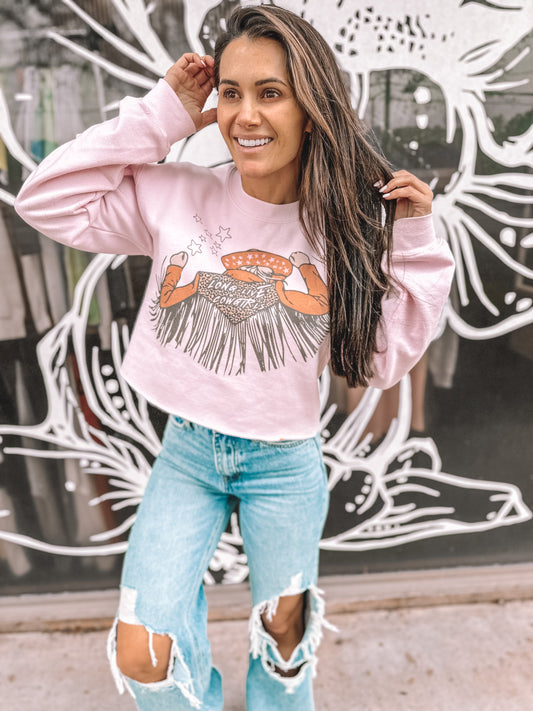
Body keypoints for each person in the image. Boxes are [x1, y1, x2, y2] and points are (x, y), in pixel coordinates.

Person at [14, 5, 454, 710]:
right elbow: (46, 200)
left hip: (284, 464)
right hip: (187, 456)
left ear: (310, 108)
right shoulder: (176, 196)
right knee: (143, 651)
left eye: (270, 93)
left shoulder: (344, 229)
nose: (245, 115)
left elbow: (381, 361)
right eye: (231, 92)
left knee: (284, 637)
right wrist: (162, 115)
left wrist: (415, 243)